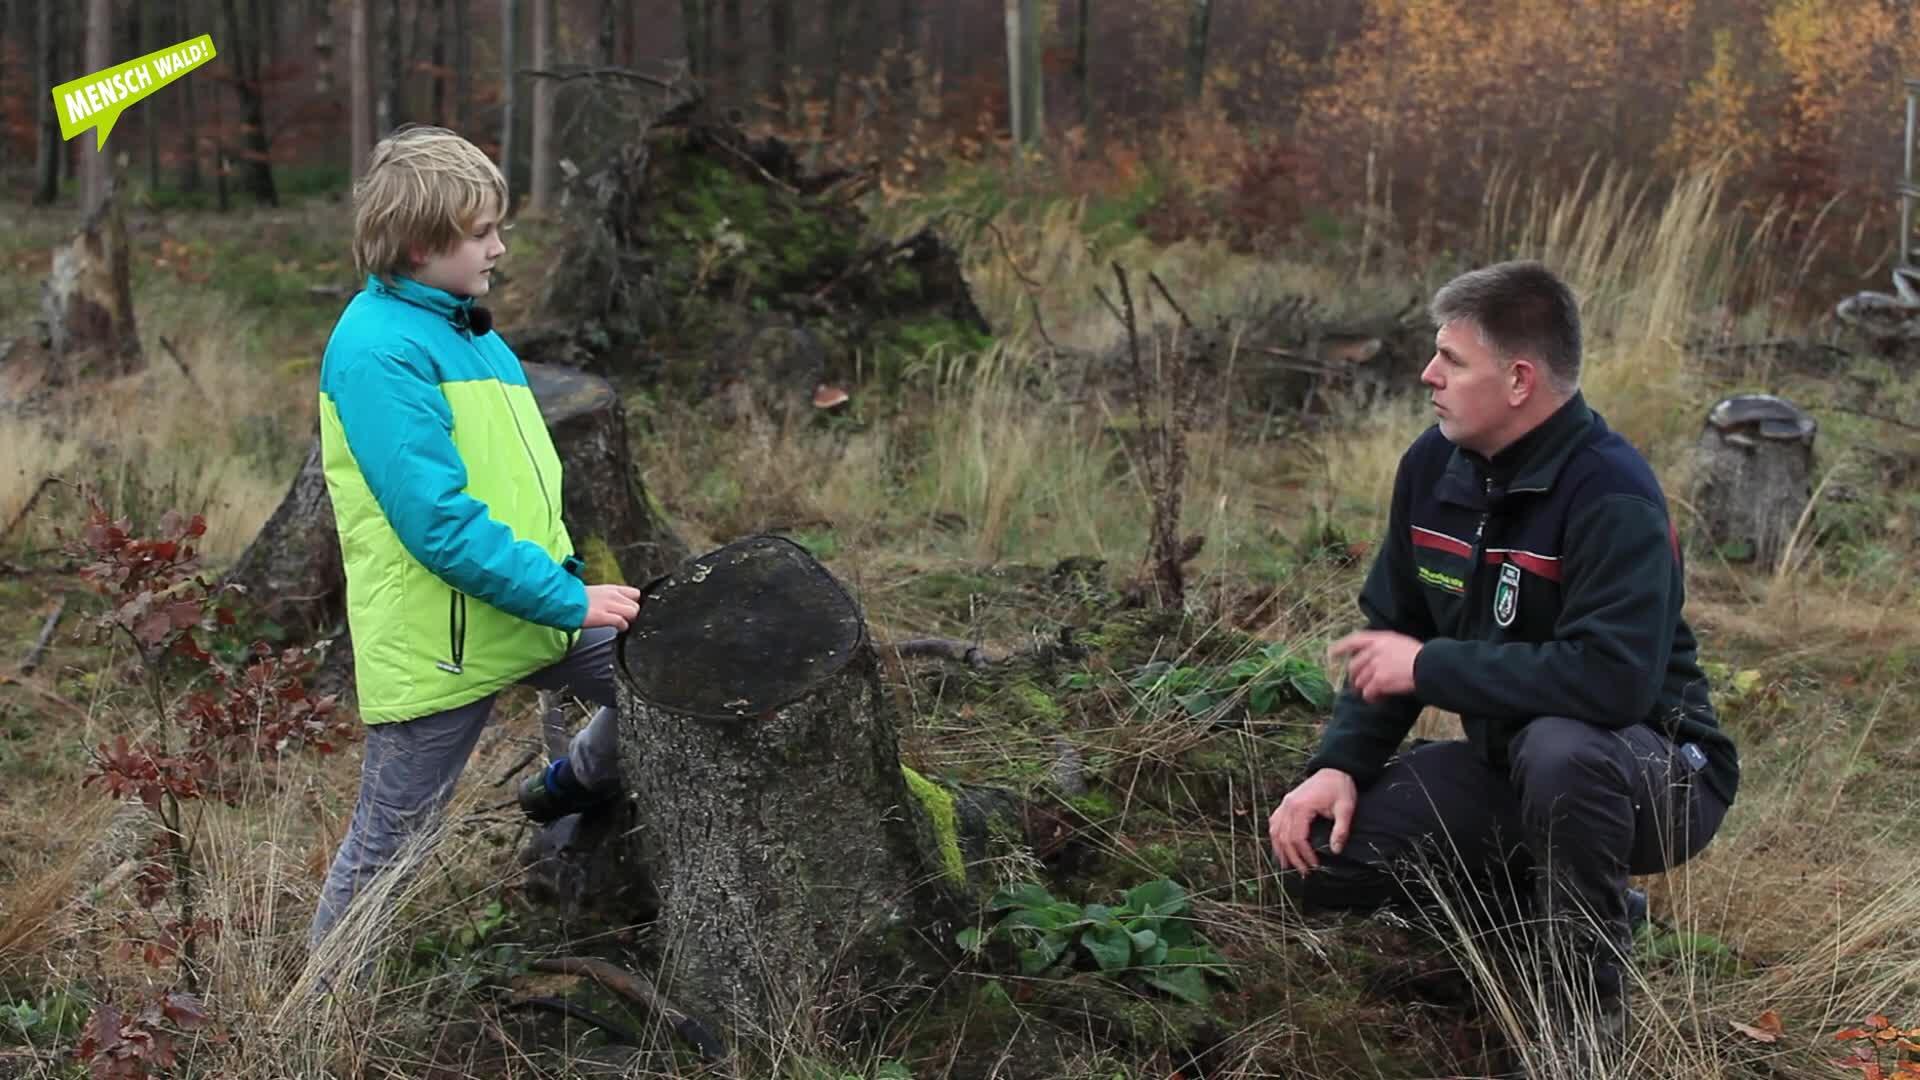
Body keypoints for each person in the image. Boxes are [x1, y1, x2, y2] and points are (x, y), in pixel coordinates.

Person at [1266, 260, 1738, 1052]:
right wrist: (1340, 763)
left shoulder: (1612, 493)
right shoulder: (1431, 467)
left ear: (1519, 379)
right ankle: (1548, 908)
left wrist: (1431, 667)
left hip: (1657, 776)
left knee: (1565, 751)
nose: (1428, 375)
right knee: (1323, 860)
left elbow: (1611, 681)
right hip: (1512, 768)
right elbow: (1393, 630)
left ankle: (1580, 1036)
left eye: (1451, 361)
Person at [308, 125, 642, 954]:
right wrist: (569, 597)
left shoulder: (468, 330)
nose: (499, 246)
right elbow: (438, 525)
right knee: (390, 846)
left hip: (525, 604)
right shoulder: (379, 352)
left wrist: (561, 592)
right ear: (423, 244)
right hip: (442, 640)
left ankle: (570, 784)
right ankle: (310, 1017)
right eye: (482, 231)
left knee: (667, 686)